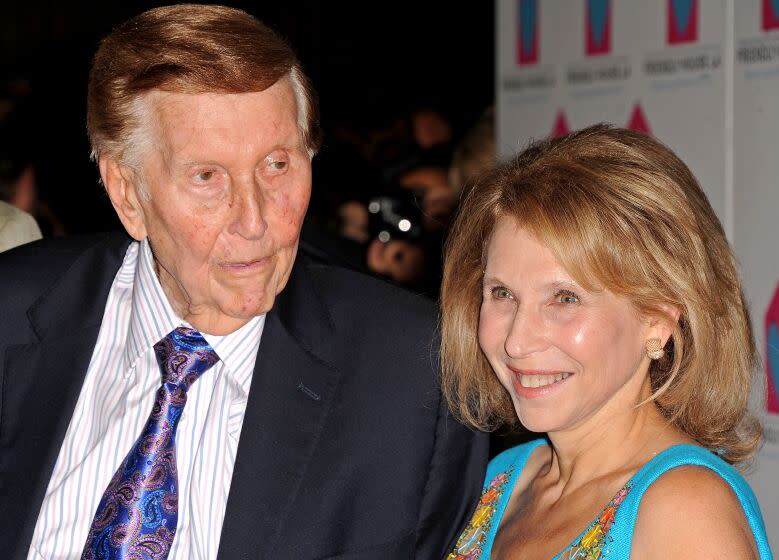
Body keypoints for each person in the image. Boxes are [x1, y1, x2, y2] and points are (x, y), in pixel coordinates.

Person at [0, 5, 488, 559]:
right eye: (207, 177)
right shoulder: (9, 318)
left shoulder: (414, 376)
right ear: (126, 192)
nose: (254, 219)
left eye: (276, 165)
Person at [440, 125, 773, 559]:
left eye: (564, 298)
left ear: (657, 319)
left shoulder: (685, 508)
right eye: (502, 293)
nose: (517, 342)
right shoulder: (504, 478)